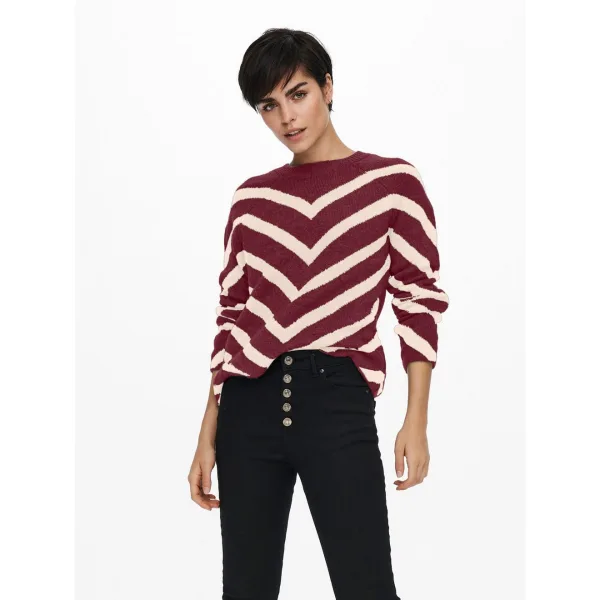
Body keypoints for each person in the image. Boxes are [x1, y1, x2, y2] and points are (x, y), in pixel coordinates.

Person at [188, 28, 450, 600]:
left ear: (328, 87)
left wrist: (417, 418)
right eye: (268, 105)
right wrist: (207, 434)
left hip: (337, 402)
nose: (287, 117)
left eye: (298, 93)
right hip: (247, 408)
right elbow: (232, 319)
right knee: (246, 592)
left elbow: (418, 301)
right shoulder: (251, 201)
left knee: (367, 588)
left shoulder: (392, 184)